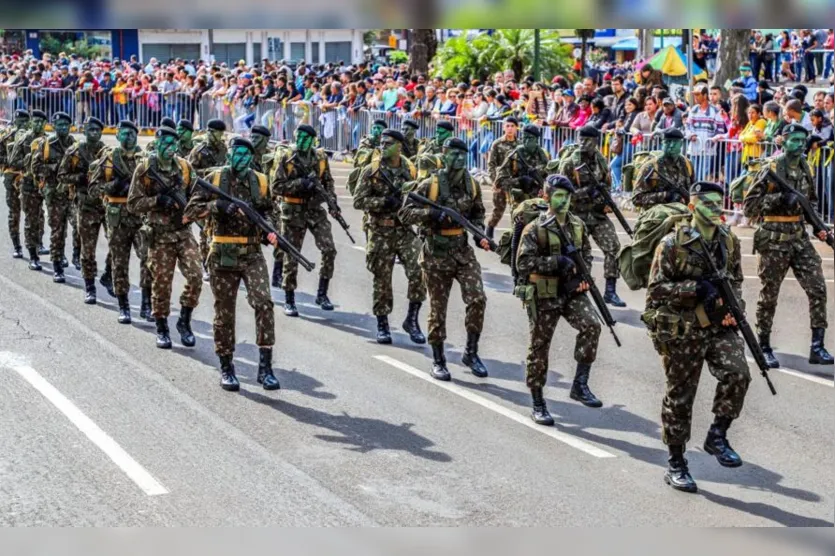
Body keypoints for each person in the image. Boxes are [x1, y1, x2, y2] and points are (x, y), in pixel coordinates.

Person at [644, 180, 751, 494]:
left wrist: (735, 309)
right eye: (708, 203)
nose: (716, 208)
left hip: (718, 325)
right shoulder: (672, 243)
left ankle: (717, 435)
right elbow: (656, 291)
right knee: (681, 396)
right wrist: (694, 289)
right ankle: (676, 462)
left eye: (719, 202)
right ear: (692, 207)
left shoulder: (728, 241)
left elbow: (737, 282)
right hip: (683, 328)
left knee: (739, 374)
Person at [184, 137, 280, 392]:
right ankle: (227, 366)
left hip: (251, 252)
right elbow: (191, 210)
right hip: (222, 251)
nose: (241, 159)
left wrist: (271, 231)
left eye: (246, 155)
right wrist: (218, 206)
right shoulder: (215, 180)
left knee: (264, 303)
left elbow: (270, 211)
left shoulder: (259, 181)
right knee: (224, 312)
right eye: (237, 154)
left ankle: (265, 368)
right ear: (229, 156)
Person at [400, 137, 491, 381]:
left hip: (462, 251)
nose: (459, 158)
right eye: (454, 154)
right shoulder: (431, 184)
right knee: (437, 310)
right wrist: (432, 214)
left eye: (462, 154)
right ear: (445, 154)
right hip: (435, 253)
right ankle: (439, 360)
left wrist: (479, 235)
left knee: (478, 299)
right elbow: (405, 213)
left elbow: (478, 213)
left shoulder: (472, 185)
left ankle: (471, 353)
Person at [743, 123, 833, 368]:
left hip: (799, 237)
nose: (799, 144)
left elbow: (810, 203)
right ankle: (763, 346)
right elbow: (749, 206)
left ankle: (817, 346)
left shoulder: (806, 167)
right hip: (773, 238)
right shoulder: (770, 168)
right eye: (794, 139)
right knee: (769, 295)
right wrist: (780, 198)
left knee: (817, 289)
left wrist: (819, 226)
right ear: (782, 140)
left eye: (802, 140)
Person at [516, 174, 604, 421]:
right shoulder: (535, 228)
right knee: (539, 346)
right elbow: (523, 263)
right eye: (558, 196)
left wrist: (581, 278)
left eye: (567, 196)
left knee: (592, 325)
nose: (564, 201)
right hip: (544, 293)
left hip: (570, 291)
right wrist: (556, 262)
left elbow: (585, 255)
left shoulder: (577, 225)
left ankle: (580, 384)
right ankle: (537, 401)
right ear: (546, 196)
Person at [127, 126, 202, 350]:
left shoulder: (185, 167)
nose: (170, 148)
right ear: (157, 143)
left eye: (173, 144)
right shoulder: (145, 168)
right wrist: (157, 201)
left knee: (196, 276)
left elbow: (198, 194)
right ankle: (162, 327)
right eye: (165, 143)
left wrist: (192, 211)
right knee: (162, 284)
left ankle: (184, 320)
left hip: (183, 232)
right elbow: (132, 204)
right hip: (159, 235)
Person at [353, 129, 426, 345]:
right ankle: (382, 324)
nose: (383, 146)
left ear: (399, 146)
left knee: (419, 272)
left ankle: (412, 320)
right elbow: (358, 200)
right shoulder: (372, 170)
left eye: (388, 143)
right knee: (382, 279)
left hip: (404, 229)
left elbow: (420, 196)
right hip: (380, 230)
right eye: (382, 143)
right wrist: (383, 203)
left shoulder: (410, 169)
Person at [271, 124, 339, 317]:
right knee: (291, 254)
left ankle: (322, 293)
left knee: (329, 250)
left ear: (312, 140)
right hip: (293, 209)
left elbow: (328, 181)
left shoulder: (320, 157)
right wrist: (301, 184)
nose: (300, 141)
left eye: (305, 138)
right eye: (298, 136)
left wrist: (332, 201)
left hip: (314, 209)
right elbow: (276, 186)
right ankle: (289, 298)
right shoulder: (287, 157)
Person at [556, 125, 626, 307]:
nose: (584, 144)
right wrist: (587, 192)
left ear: (596, 142)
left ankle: (610, 291)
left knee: (613, 247)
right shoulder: (570, 162)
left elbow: (607, 183)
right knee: (575, 253)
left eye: (589, 140)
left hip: (596, 215)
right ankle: (573, 288)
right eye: (582, 139)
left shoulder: (601, 160)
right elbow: (561, 195)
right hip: (576, 216)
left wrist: (605, 200)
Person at [91, 120, 151, 324]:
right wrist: (113, 186)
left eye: (132, 134)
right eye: (124, 133)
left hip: (140, 217)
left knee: (148, 258)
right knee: (119, 262)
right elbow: (93, 189)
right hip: (117, 217)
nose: (129, 137)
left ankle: (146, 303)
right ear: (117, 136)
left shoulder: (145, 159)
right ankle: (124, 305)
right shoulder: (108, 159)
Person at [57, 117, 112, 302]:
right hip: (86, 205)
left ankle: (108, 275)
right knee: (87, 249)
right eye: (91, 130)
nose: (94, 133)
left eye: (97, 130)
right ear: (85, 131)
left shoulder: (109, 153)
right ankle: (90, 286)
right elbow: (62, 175)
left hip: (105, 205)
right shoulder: (75, 151)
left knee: (116, 244)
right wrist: (79, 178)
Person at [30, 111, 76, 281]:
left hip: (70, 193)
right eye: (59, 125)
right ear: (54, 126)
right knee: (58, 229)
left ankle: (73, 255)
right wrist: (55, 168)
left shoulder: (74, 144)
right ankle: (57, 266)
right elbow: (35, 168)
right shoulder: (46, 144)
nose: (63, 128)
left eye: (66, 125)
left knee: (76, 227)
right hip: (54, 193)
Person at [188, 118, 229, 281]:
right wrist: (211, 171)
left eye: (220, 133)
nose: (217, 136)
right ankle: (205, 265)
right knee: (205, 233)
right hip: (203, 195)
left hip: (220, 195)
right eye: (214, 133)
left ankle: (218, 264)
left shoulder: (224, 149)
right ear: (209, 132)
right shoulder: (199, 150)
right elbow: (191, 174)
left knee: (218, 230)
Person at [9, 109, 48, 270]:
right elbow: (12, 161)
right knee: (29, 218)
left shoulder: (48, 141)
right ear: (32, 122)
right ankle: (31, 254)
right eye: (36, 121)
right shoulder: (24, 139)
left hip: (44, 185)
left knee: (42, 216)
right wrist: (28, 162)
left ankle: (39, 243)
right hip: (27, 184)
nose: (38, 124)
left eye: (41, 122)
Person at [632, 128, 693, 210]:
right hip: (656, 215)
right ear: (662, 143)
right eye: (668, 142)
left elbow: (693, 191)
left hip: (683, 211)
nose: (671, 146)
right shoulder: (650, 167)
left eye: (675, 143)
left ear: (681, 144)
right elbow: (637, 199)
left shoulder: (687, 164)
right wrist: (666, 196)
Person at [494, 124, 550, 213]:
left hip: (541, 202)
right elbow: (499, 182)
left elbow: (552, 180)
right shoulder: (514, 155)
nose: (526, 141)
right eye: (524, 138)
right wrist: (520, 181)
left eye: (530, 138)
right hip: (519, 203)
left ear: (536, 139)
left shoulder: (544, 155)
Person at [0, 110, 31, 259]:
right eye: (20, 121)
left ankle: (36, 243)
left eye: (25, 121)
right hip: (12, 178)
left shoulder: (32, 138)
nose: (22, 124)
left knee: (34, 214)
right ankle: (17, 245)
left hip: (29, 179)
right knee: (14, 213)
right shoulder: (7, 137)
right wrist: (8, 163)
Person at [484, 117, 519, 239]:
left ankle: (515, 234)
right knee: (498, 208)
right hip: (500, 181)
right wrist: (494, 181)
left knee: (517, 209)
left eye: (512, 126)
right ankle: (489, 230)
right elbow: (491, 164)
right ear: (503, 127)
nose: (510, 129)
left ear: (516, 128)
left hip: (515, 182)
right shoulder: (497, 144)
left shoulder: (519, 145)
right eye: (507, 126)